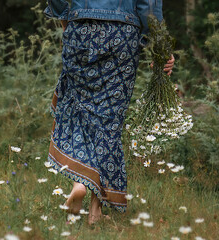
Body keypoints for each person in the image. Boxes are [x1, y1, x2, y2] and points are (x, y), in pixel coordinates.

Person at [44, 0, 175, 224]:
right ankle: (95, 211)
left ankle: (79, 184)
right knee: (109, 120)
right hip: (122, 34)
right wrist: (160, 49)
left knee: (77, 107)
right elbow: (149, 5)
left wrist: (69, 19)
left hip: (81, 29)